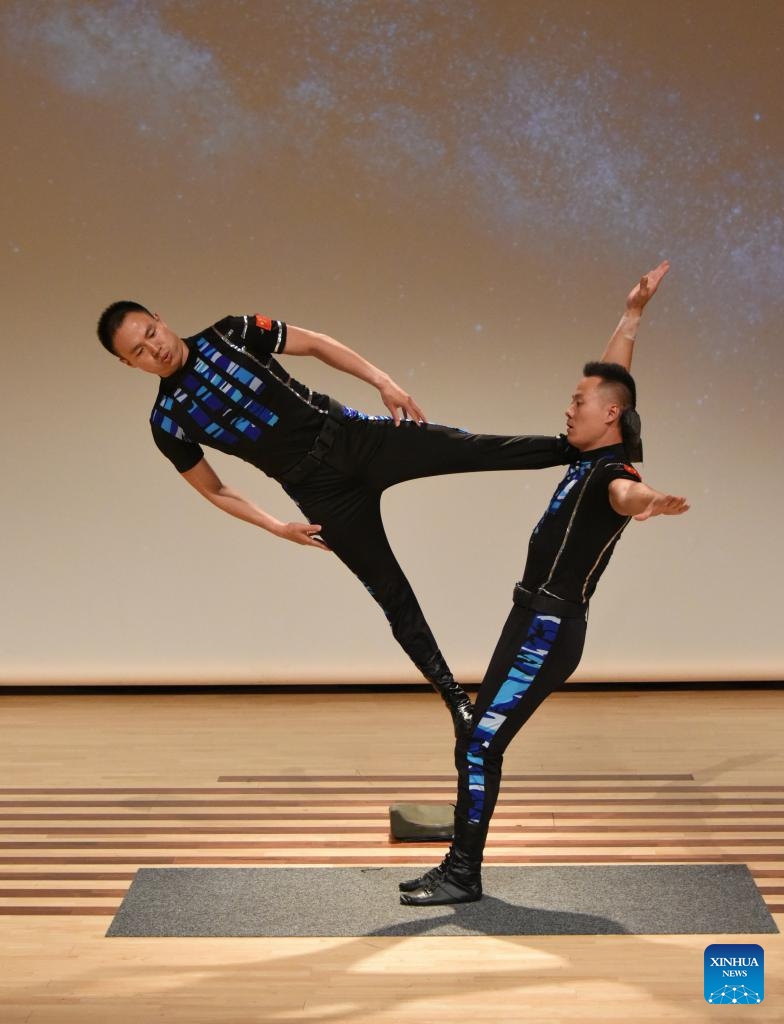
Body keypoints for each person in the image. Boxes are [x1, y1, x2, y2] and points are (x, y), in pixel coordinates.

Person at [96, 263, 668, 735]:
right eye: (138, 353)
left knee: (467, 448)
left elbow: (316, 345)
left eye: (150, 333)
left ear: (160, 320)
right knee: (391, 594)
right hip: (317, 491)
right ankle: (457, 703)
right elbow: (215, 489)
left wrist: (382, 381)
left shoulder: (231, 330)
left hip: (355, 437)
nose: (154, 349)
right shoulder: (166, 421)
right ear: (128, 366)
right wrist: (278, 527)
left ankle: (589, 454)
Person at [400, 288, 688, 906]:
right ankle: (461, 857)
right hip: (528, 619)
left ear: (607, 417)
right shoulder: (594, 451)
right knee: (475, 738)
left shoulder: (615, 474)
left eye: (577, 403)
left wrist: (652, 504)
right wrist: (631, 317)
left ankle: (462, 873)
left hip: (548, 631)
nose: (568, 409)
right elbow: (614, 384)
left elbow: (627, 498)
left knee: (480, 741)